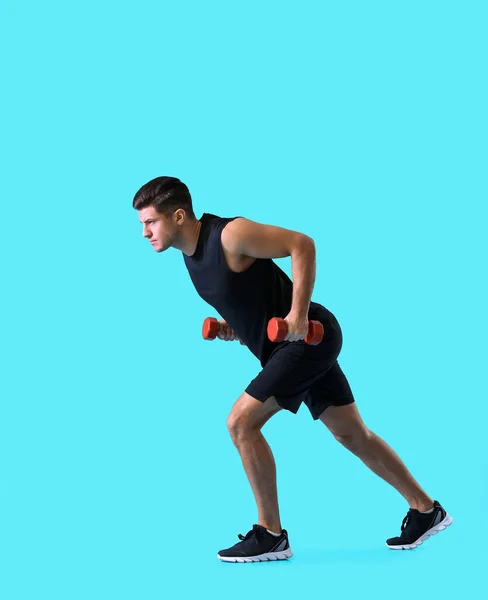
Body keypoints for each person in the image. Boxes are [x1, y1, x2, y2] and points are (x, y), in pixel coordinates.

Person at [133, 176, 453, 563]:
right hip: (285, 348)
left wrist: (298, 314)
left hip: (306, 339)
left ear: (178, 215)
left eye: (150, 222)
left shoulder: (229, 235)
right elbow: (253, 296)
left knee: (240, 423)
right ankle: (426, 510)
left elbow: (301, 244)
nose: (145, 232)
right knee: (353, 434)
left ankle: (270, 534)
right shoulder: (191, 256)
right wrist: (234, 329)